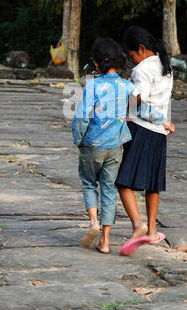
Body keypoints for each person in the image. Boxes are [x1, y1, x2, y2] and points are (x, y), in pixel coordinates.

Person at [72, 38, 170, 254]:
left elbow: (81, 118)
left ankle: (93, 223)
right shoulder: (127, 86)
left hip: (92, 145)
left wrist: (78, 139)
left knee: (89, 183)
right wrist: (164, 122)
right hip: (116, 147)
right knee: (108, 189)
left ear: (97, 64)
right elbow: (142, 110)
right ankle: (105, 241)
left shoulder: (92, 85)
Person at [116, 26, 175, 256]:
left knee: (124, 182)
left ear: (141, 49)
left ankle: (137, 225)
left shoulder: (141, 70)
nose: (132, 60)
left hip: (141, 128)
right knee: (152, 182)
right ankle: (151, 230)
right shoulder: (166, 66)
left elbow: (138, 97)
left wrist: (125, 107)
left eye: (131, 55)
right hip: (159, 132)